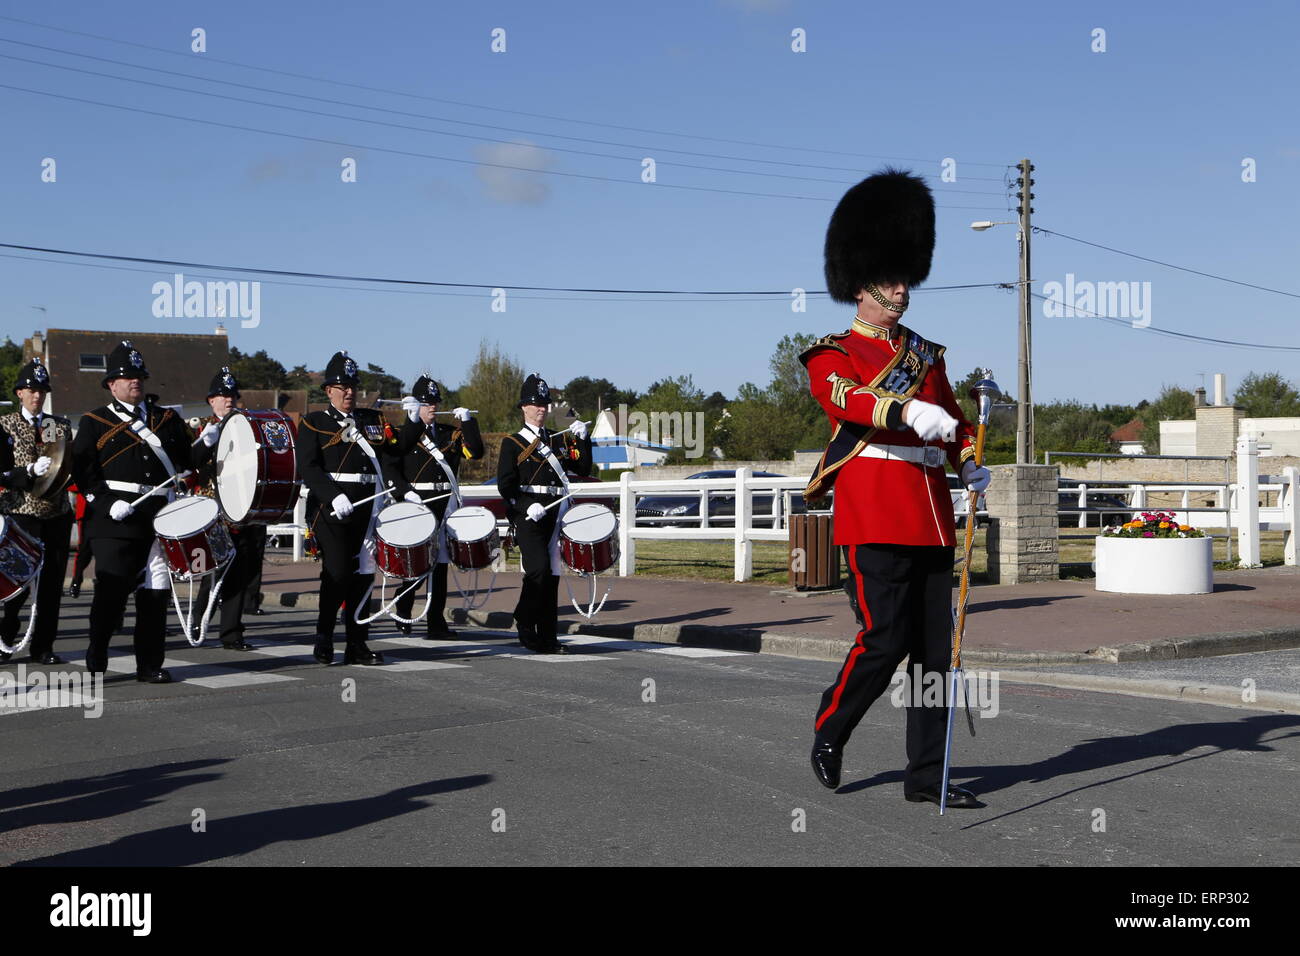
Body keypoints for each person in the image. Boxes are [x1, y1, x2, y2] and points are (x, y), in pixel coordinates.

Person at [802, 169, 992, 808]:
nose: (902, 288)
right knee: (884, 640)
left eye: (906, 275)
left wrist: (967, 459)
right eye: (890, 277)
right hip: (874, 507)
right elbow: (849, 402)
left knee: (935, 657)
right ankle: (833, 729)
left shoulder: (926, 355)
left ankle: (926, 775)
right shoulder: (831, 353)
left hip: (931, 514)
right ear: (861, 283)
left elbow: (956, 425)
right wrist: (908, 413)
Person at [71, 341, 194, 683]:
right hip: (115, 519)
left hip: (159, 517)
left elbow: (187, 462)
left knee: (155, 594)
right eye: (127, 377)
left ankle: (149, 664)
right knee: (112, 592)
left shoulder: (165, 419)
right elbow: (83, 473)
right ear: (111, 384)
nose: (135, 382)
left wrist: (210, 443)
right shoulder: (95, 422)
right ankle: (97, 648)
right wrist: (109, 503)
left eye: (139, 376)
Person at [296, 350, 402, 665]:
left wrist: (402, 491)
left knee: (364, 575)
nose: (349, 392)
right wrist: (332, 495)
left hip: (369, 508)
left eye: (353, 386)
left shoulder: (372, 420)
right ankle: (324, 636)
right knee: (338, 573)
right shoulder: (314, 422)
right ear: (329, 391)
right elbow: (309, 467)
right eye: (342, 387)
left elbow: (392, 457)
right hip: (332, 511)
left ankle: (357, 642)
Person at [495, 374, 592, 653]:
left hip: (555, 512)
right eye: (536, 404)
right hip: (529, 515)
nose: (542, 409)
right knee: (536, 570)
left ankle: (548, 636)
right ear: (524, 407)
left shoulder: (558, 440)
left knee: (552, 575)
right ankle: (525, 620)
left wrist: (584, 441)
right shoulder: (512, 442)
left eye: (545, 404)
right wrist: (526, 505)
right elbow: (506, 485)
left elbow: (583, 469)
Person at [391, 375, 484, 637]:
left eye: (435, 402)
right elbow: (391, 466)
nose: (432, 406)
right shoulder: (402, 434)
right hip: (416, 503)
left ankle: (436, 622)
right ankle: (404, 605)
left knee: (440, 565)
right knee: (416, 563)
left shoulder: (449, 433)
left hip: (445, 503)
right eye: (426, 402)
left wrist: (468, 422)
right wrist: (405, 493)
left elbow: (475, 452)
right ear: (415, 405)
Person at [0, 358, 74, 665]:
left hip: (55, 512)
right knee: (16, 582)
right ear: (19, 393)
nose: (37, 395)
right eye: (31, 389)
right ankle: (4, 639)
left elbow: (64, 467)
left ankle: (44, 645)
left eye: (41, 390)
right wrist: (27, 470)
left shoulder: (55, 425)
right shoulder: (5, 424)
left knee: (52, 583)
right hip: (21, 512)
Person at [192, 367, 266, 651]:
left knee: (239, 571)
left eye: (232, 395)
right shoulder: (202, 427)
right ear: (211, 400)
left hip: (243, 506)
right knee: (215, 570)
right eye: (222, 395)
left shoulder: (247, 426)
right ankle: (199, 619)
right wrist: (204, 443)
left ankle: (232, 633)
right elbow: (189, 463)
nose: (228, 400)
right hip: (214, 509)